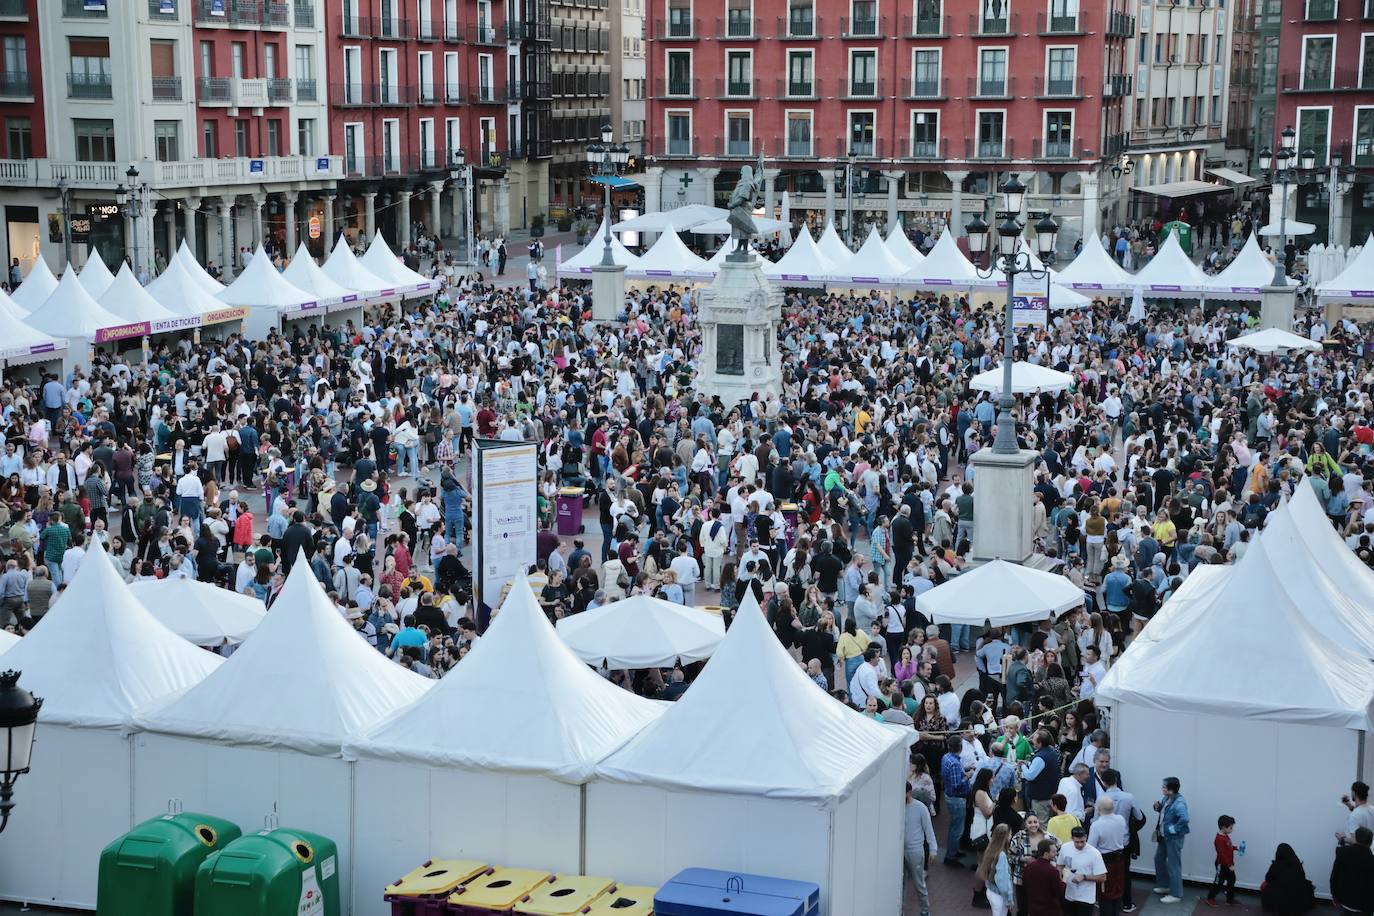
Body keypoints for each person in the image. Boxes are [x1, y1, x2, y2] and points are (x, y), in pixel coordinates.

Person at [1152, 776, 1190, 903]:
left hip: (1173, 838)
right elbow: (1164, 812)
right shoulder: (1166, 798)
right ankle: (1165, 886)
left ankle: (1176, 894)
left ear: (1171, 790)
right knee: (1158, 858)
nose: (1162, 788)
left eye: (1164, 787)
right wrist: (1157, 807)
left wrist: (1174, 829)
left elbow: (1184, 819)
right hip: (1164, 836)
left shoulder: (1179, 803)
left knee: (1174, 865)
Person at [904, 781, 938, 916]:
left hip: (915, 851)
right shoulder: (896, 806)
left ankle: (925, 911)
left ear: (909, 792)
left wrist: (933, 849)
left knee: (919, 884)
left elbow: (928, 830)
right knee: (900, 885)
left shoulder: (921, 808)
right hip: (900, 851)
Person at [1057, 825, 1107, 916]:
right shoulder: (1065, 848)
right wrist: (1060, 877)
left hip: (1086, 898)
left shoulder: (1094, 853)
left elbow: (1103, 877)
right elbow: (1060, 865)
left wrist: (1084, 877)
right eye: (1077, 842)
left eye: (1082, 841)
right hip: (1069, 895)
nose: (1080, 844)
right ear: (1071, 838)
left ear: (1086, 837)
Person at [941, 734, 974, 867]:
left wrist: (964, 773)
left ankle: (953, 850)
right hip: (956, 799)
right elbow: (957, 784)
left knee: (955, 826)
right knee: (957, 829)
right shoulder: (955, 763)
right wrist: (968, 776)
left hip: (951, 796)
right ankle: (951, 857)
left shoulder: (946, 757)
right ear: (960, 747)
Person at [1330, 826, 1374, 916]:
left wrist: (1334, 896)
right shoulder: (1371, 859)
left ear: (1356, 839)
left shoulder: (1342, 853)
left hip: (1345, 901)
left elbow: (1334, 876)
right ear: (1370, 842)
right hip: (1364, 906)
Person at [1261, 843, 1315, 915]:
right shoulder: (1297, 864)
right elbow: (1303, 878)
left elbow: (1268, 878)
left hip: (1281, 897)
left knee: (1264, 885)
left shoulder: (1276, 865)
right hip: (1298, 896)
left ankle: (1271, 906)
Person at [977, 823, 1015, 916]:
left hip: (990, 890)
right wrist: (1009, 900)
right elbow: (1002, 881)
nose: (1011, 836)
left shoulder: (991, 849)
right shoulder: (1001, 855)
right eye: (1009, 834)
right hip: (999, 895)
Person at [1023, 837, 1067, 916]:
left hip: (1033, 909)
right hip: (1050, 910)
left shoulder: (1028, 867)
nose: (1056, 854)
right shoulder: (1052, 871)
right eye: (1053, 852)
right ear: (1046, 854)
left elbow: (1025, 885)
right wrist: (1064, 879)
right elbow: (1059, 891)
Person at [1205, 814, 1238, 907]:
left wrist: (1236, 848)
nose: (1232, 830)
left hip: (1229, 864)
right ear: (1224, 827)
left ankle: (1230, 899)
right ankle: (1210, 898)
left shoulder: (1225, 836)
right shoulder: (1219, 839)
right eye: (1231, 828)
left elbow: (1228, 847)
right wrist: (1229, 865)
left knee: (1232, 880)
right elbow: (1222, 853)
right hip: (1222, 864)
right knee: (1219, 882)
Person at [1338, 781, 1374, 845]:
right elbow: (1362, 813)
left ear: (1354, 793)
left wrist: (1342, 838)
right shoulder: (1372, 809)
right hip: (1370, 851)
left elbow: (1355, 841)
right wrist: (1350, 806)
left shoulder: (1354, 815)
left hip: (1361, 853)